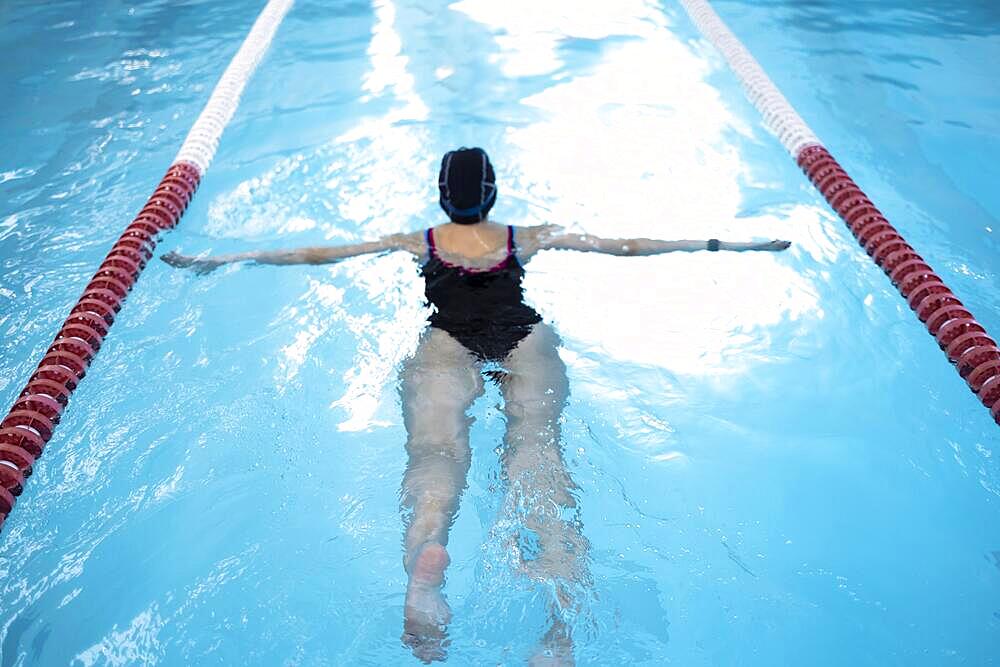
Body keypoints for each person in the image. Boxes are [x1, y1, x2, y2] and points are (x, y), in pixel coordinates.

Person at [163, 147, 791, 664]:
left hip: (447, 342)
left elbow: (313, 253)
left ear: (443, 196)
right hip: (525, 337)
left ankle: (424, 563)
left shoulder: (420, 239)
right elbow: (626, 245)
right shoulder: (527, 236)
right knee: (538, 457)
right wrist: (724, 245)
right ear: (492, 194)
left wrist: (220, 258)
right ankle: (558, 627)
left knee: (436, 456)